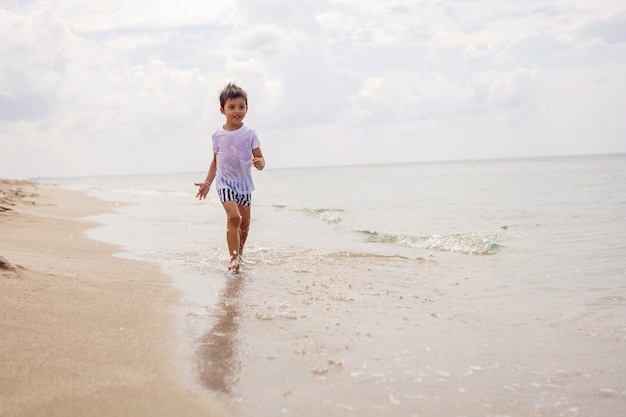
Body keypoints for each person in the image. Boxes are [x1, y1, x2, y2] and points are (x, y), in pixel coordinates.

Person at [195, 83, 265, 272]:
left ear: (247, 109)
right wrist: (208, 183)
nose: (237, 111)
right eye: (232, 107)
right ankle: (233, 258)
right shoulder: (218, 135)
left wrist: (260, 163)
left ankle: (239, 254)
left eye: (241, 107)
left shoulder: (250, 134)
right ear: (222, 110)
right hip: (224, 182)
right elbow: (215, 162)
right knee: (234, 217)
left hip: (244, 184)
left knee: (244, 225)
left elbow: (260, 157)